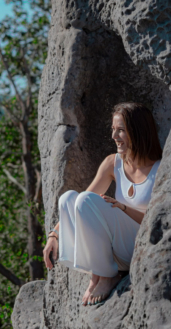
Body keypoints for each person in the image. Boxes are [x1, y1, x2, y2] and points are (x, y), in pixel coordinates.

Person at [43, 102, 162, 306]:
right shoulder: (113, 163)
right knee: (69, 198)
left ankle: (107, 275)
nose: (114, 136)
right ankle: (97, 272)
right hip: (117, 247)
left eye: (121, 131)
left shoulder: (160, 168)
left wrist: (124, 208)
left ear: (138, 131)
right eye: (113, 130)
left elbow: (159, 221)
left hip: (140, 243)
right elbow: (79, 204)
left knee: (86, 200)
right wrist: (54, 234)